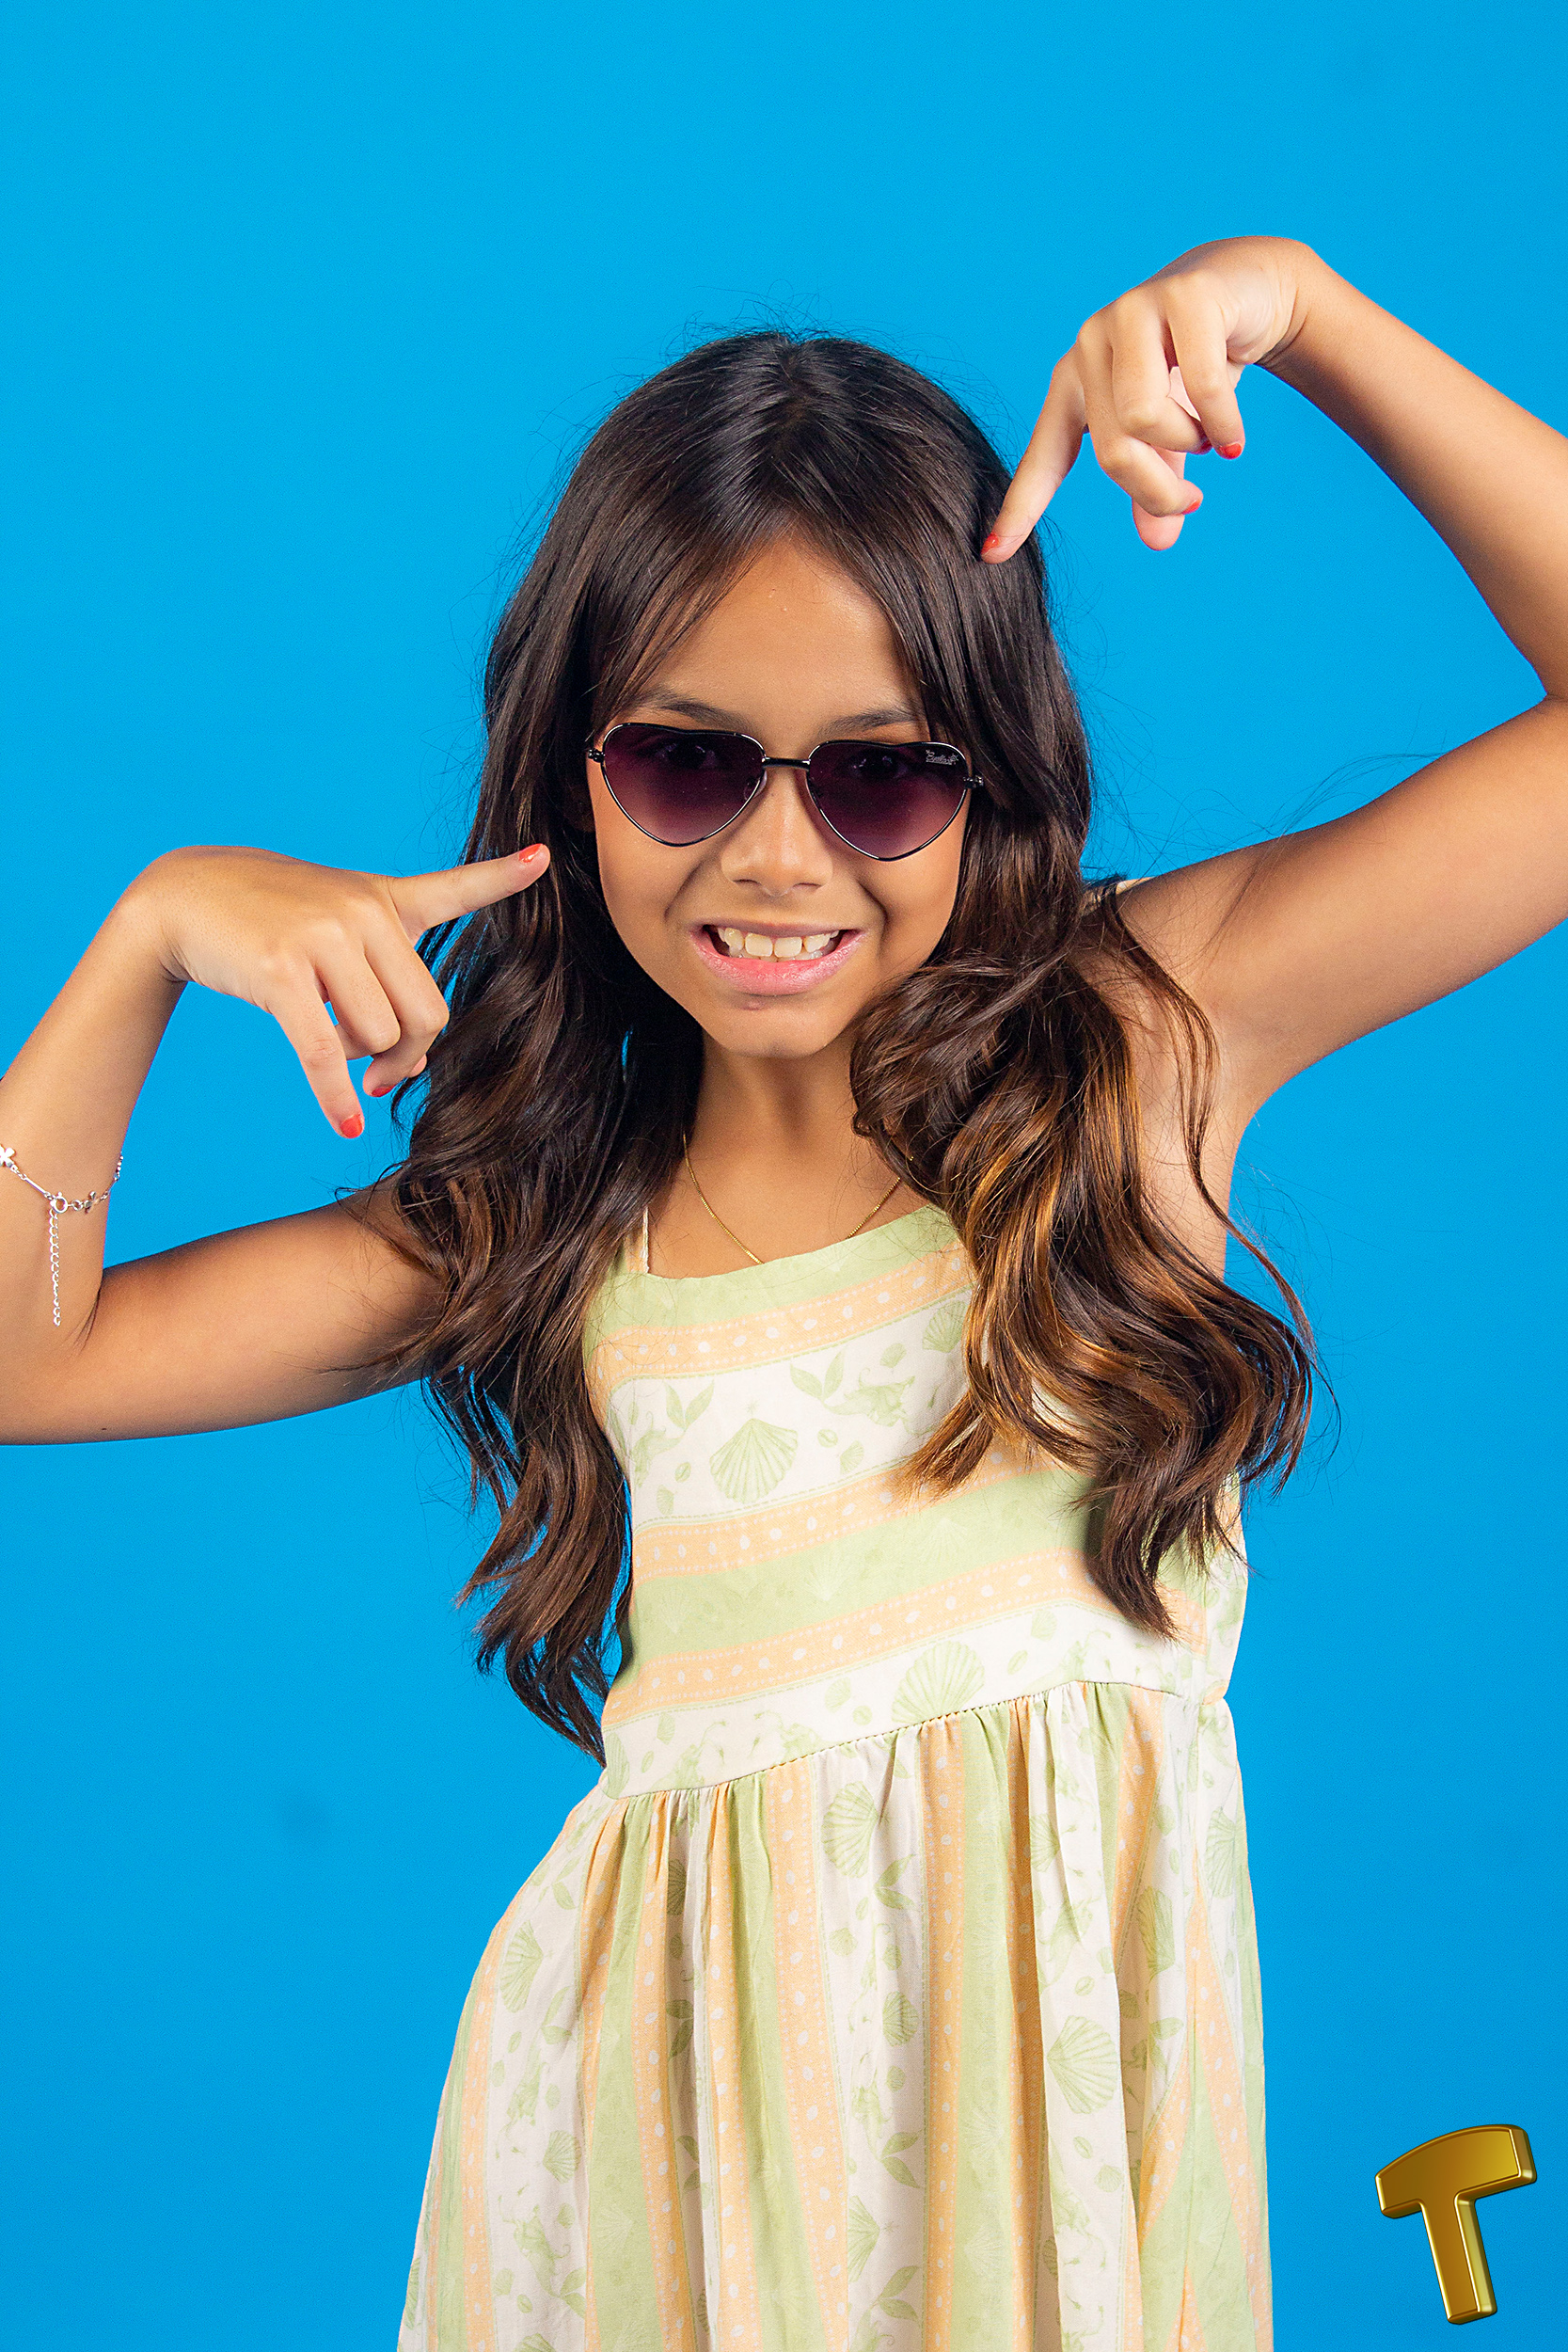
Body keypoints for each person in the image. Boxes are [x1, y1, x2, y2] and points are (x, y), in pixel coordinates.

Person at [3, 233, 1564, 2352]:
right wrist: (147, 936)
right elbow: (26, 1359)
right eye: (687, 762)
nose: (776, 856)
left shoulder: (1142, 1043)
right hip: (653, 2200)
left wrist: (1312, 311)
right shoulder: (547, 1222)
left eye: (879, 775)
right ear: (570, 769)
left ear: (988, 776)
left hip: (1055, 2199)